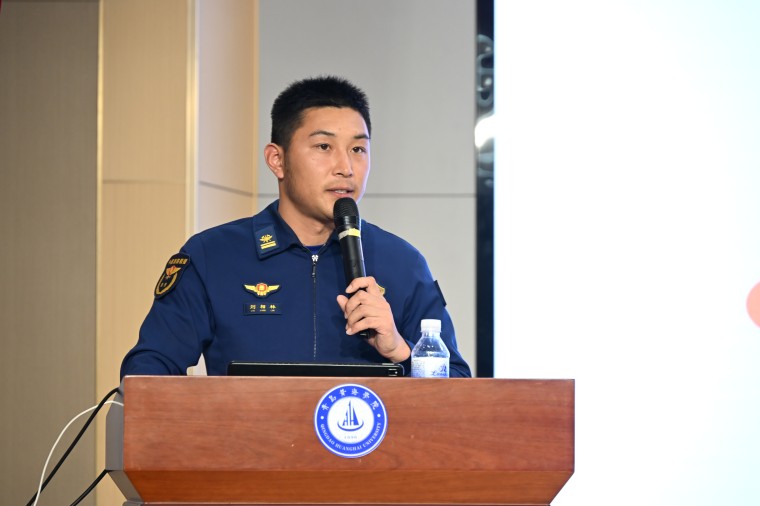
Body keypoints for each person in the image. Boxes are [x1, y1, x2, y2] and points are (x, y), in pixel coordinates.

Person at [120, 76, 471, 378]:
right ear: (277, 160)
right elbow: (147, 372)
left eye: (358, 149)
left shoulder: (402, 262)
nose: (346, 167)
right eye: (324, 146)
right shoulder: (213, 256)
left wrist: (399, 350)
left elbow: (457, 390)